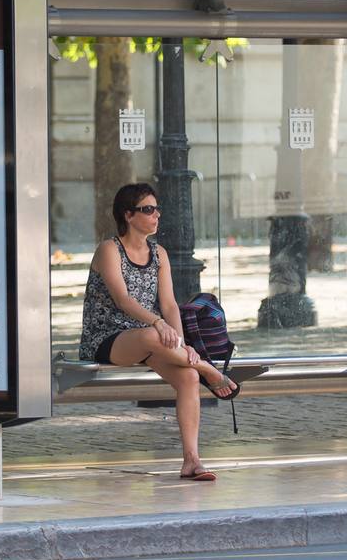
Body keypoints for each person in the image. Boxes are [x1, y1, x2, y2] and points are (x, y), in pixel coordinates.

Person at [79, 183, 238, 481]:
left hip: (152, 339)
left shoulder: (159, 253)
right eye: (148, 209)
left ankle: (192, 460)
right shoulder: (109, 249)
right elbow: (122, 300)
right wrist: (158, 324)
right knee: (158, 340)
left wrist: (183, 344)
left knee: (189, 376)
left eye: (157, 209)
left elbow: (169, 305)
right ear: (128, 215)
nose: (156, 215)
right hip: (107, 337)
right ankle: (208, 369)